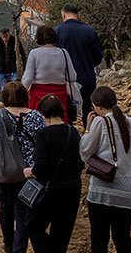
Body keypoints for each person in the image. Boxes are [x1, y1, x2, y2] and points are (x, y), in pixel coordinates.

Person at [80, 87, 131, 253]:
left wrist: (87, 129)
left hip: (101, 191)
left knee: (99, 239)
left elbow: (85, 152)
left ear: (97, 106)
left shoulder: (99, 122)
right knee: (123, 239)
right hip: (128, 192)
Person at [0, 81, 45, 253]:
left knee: (6, 208)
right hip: (30, 172)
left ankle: (8, 243)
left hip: (6, 170)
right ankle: (20, 246)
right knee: (24, 211)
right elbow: (41, 143)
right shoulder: (35, 116)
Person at [24, 95, 82, 253]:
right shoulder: (73, 132)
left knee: (33, 226)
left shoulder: (44, 134)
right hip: (72, 189)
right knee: (62, 233)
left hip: (50, 190)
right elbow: (80, 162)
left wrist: (29, 171)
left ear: (44, 114)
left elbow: (41, 166)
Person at [21, 26, 81, 124]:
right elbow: (72, 76)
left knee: (38, 123)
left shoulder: (34, 53)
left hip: (38, 95)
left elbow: (27, 79)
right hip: (59, 95)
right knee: (60, 122)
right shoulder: (64, 53)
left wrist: (22, 92)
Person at [55, 4, 103, 119]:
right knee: (89, 111)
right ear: (78, 15)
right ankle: (89, 133)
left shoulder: (57, 31)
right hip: (87, 77)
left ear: (63, 14)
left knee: (66, 112)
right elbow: (98, 57)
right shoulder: (90, 31)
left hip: (65, 80)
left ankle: (70, 134)